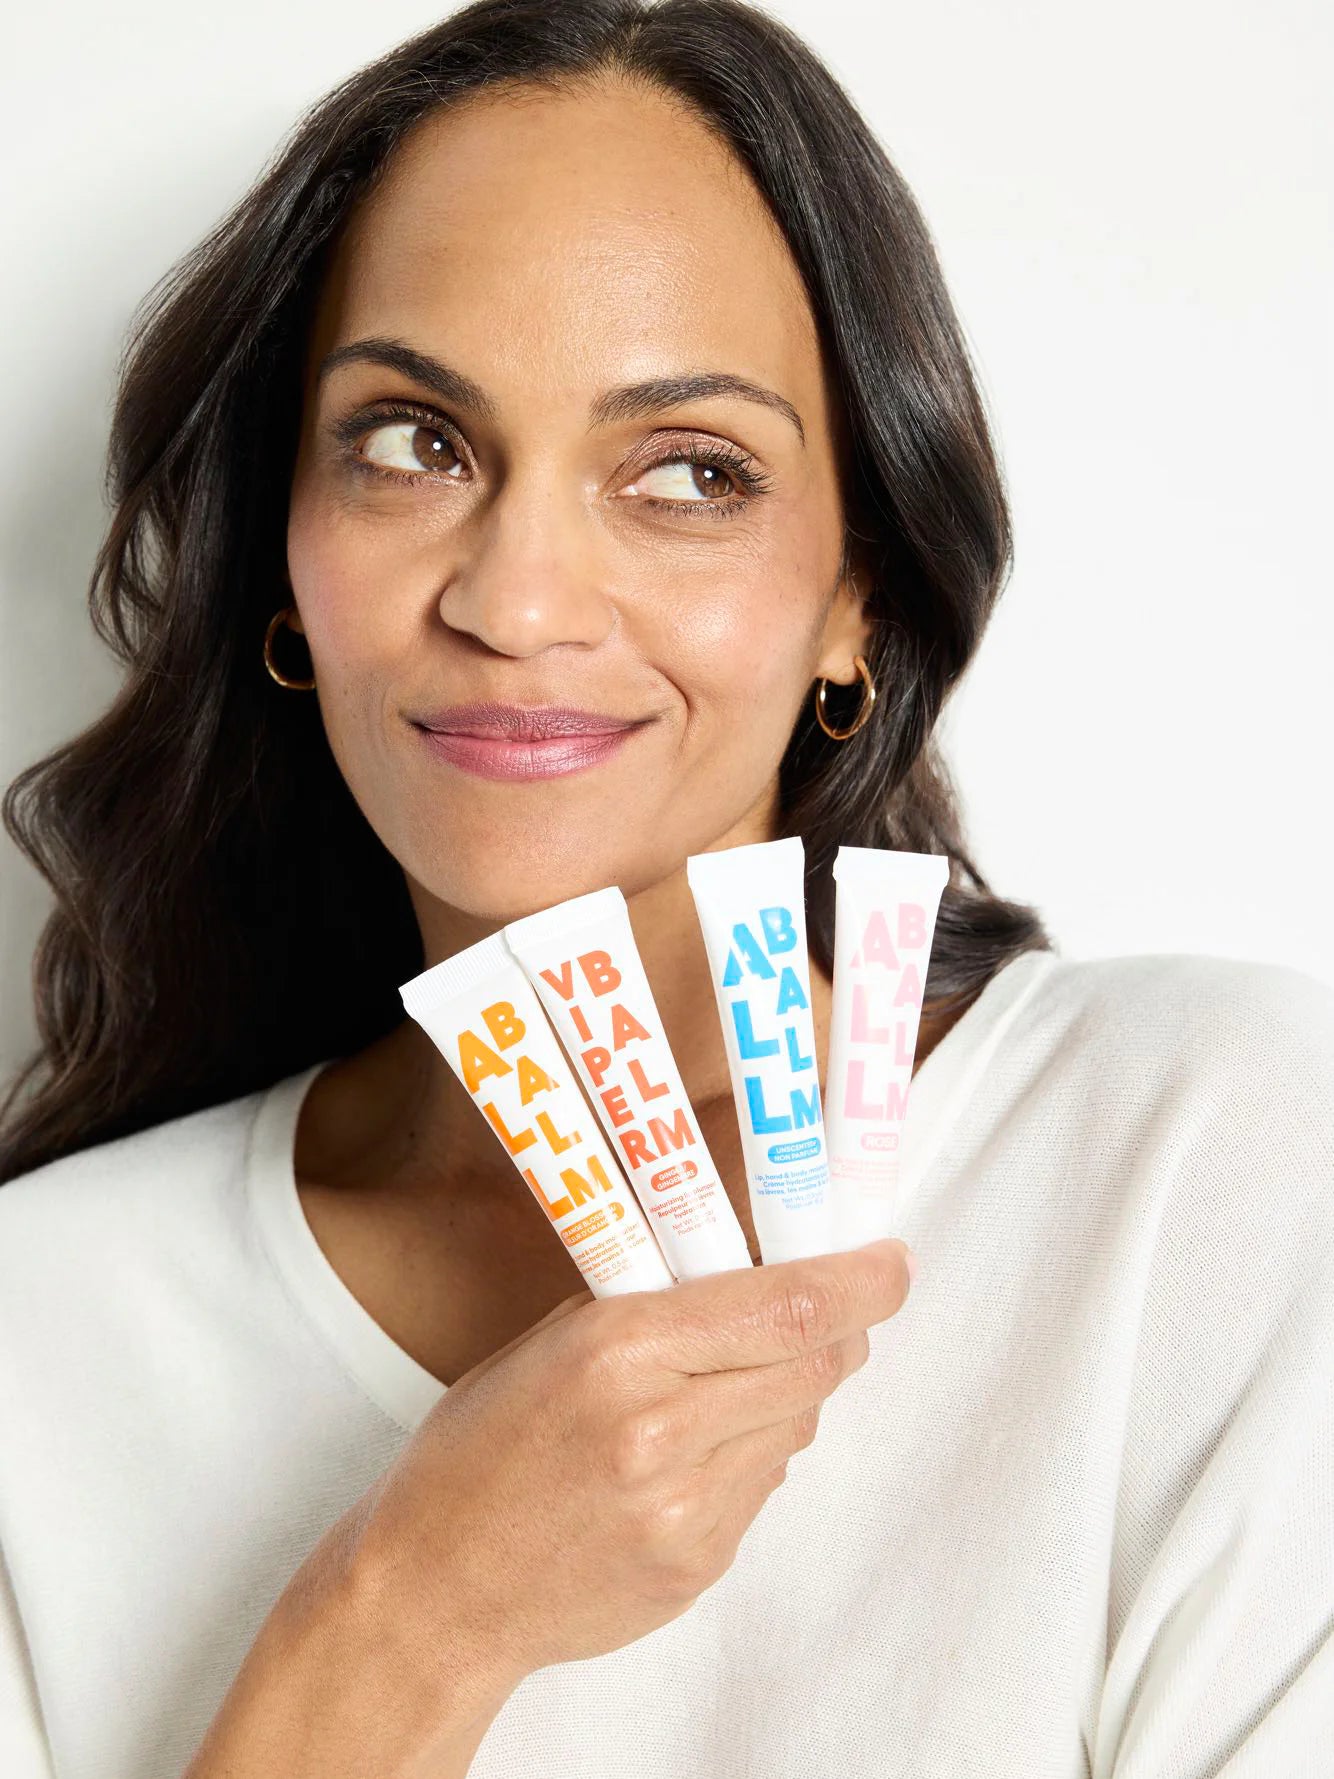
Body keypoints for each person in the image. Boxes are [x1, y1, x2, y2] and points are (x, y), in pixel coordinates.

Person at [1, 1, 1331, 1775]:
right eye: (411, 441)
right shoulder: (43, 1337)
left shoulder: (1215, 1160)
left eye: (690, 472)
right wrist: (411, 1619)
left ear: (858, 592)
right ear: (282, 566)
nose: (521, 597)